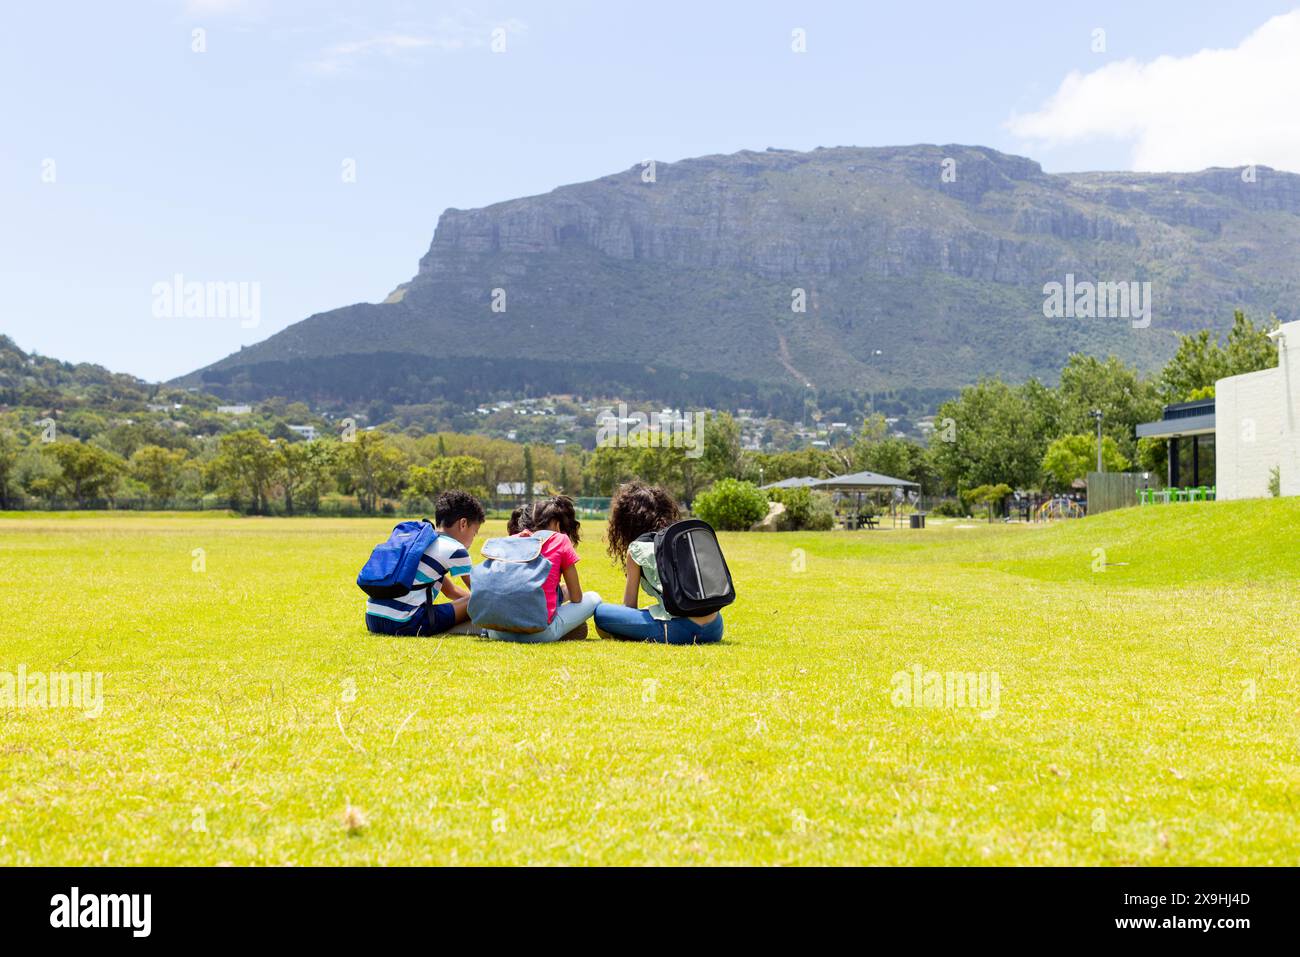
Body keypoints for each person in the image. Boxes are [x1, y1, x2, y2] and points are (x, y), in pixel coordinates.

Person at [593, 483, 724, 645]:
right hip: (715, 628)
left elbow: (629, 607)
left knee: (601, 613)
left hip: (679, 631)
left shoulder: (637, 549)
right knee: (655, 610)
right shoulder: (683, 538)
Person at [363, 490, 484, 637]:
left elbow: (450, 591)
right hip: (405, 622)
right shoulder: (455, 549)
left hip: (372, 618)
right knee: (479, 599)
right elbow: (481, 594)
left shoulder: (422, 542)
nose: (473, 538)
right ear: (463, 524)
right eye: (474, 532)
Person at [485, 495, 601, 643]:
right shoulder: (560, 539)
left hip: (498, 632)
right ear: (557, 525)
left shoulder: (515, 538)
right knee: (594, 597)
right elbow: (577, 597)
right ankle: (564, 629)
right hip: (539, 633)